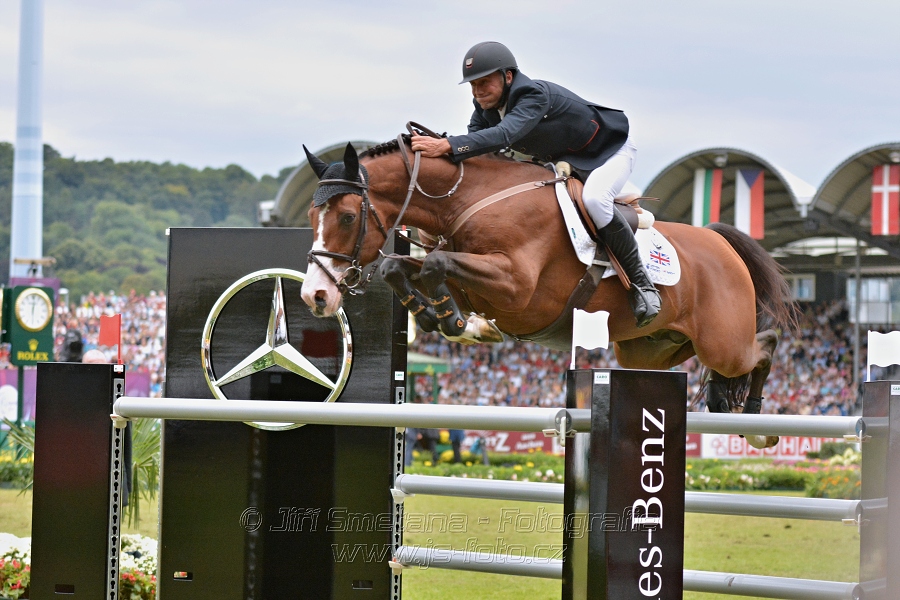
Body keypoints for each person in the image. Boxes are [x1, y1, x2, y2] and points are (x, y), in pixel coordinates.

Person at [411, 41, 660, 328]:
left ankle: (643, 286)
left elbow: (503, 135)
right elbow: (478, 150)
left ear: (508, 76)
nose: (478, 91)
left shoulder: (532, 95)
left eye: (484, 82)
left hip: (610, 151)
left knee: (594, 200)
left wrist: (446, 145)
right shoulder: (485, 106)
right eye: (472, 85)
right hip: (571, 161)